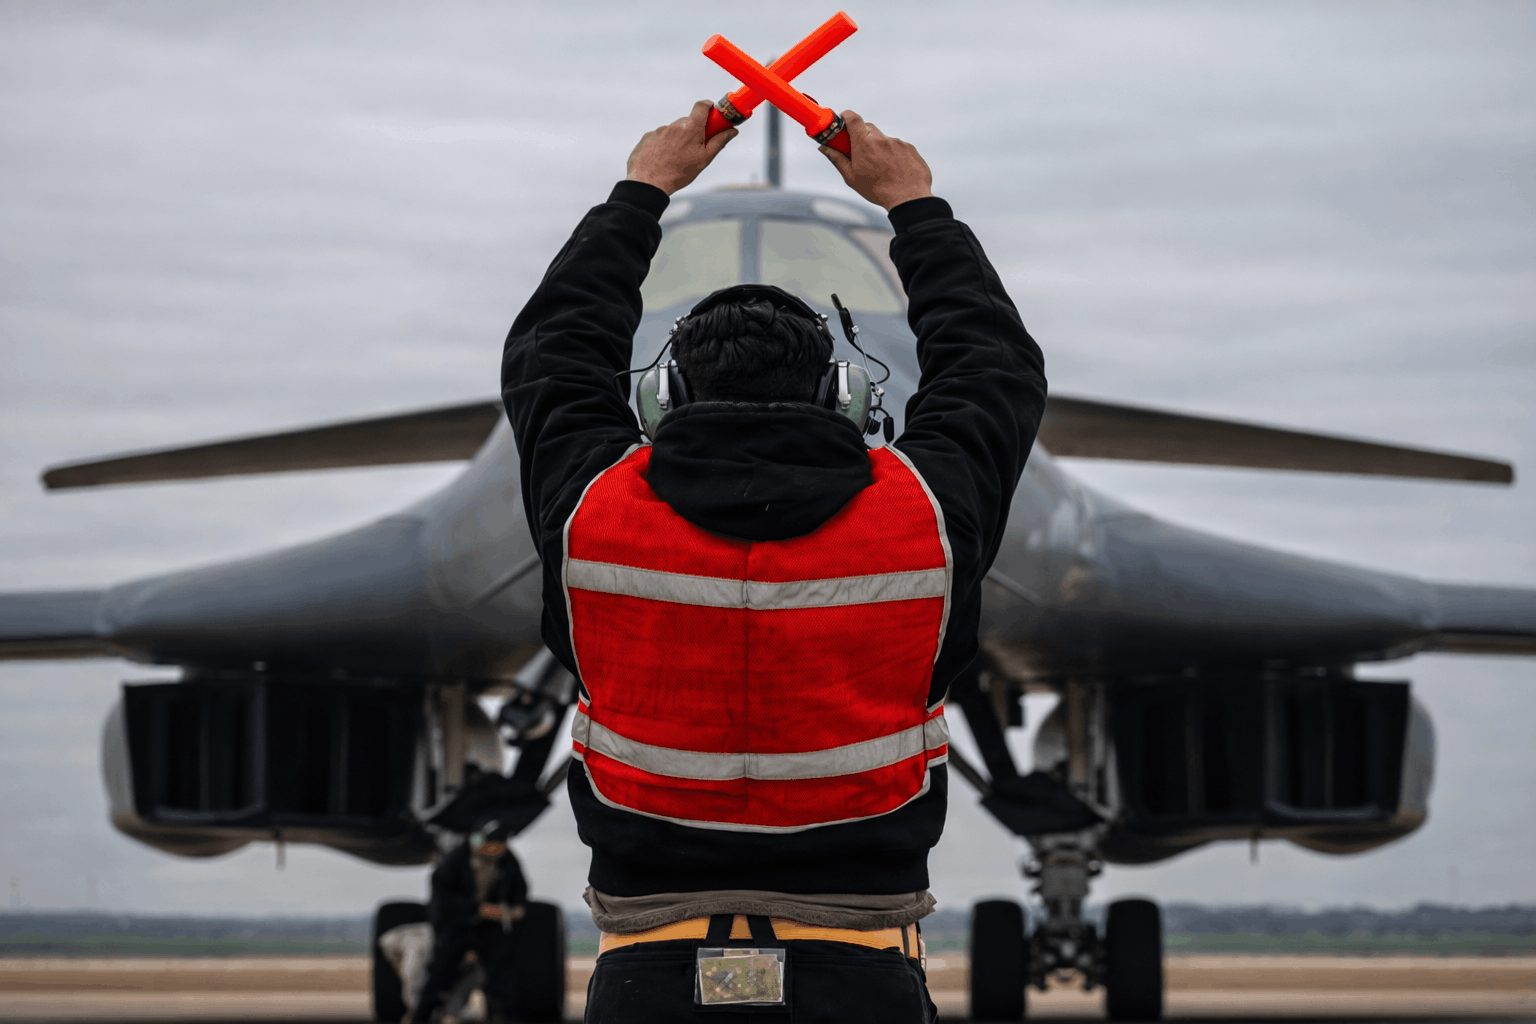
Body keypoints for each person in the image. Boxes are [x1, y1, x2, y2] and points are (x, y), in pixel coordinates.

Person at [502, 100, 1046, 1022]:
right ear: (847, 395)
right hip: (862, 974)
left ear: (661, 398)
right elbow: (992, 369)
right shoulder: (925, 520)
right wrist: (913, 203)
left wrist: (641, 192)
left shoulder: (592, 521)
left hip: (647, 978)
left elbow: (555, 354)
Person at [411, 818, 529, 1024]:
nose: (493, 849)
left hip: (490, 928)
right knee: (440, 975)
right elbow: (442, 898)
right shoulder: (455, 860)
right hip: (456, 925)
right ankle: (422, 1017)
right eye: (490, 844)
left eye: (498, 845)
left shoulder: (508, 861)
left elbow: (519, 890)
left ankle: (504, 1017)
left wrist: (511, 910)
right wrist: (477, 909)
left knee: (501, 978)